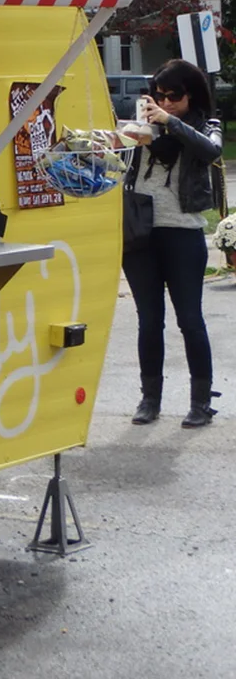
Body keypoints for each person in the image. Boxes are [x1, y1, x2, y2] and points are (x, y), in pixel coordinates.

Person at [122, 59, 222, 428]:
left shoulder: (205, 125)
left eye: (173, 96)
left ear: (190, 95)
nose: (164, 103)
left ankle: (200, 401)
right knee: (149, 320)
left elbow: (210, 151)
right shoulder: (148, 123)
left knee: (190, 321)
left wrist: (171, 123)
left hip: (182, 231)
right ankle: (150, 399)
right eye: (158, 96)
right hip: (140, 231)